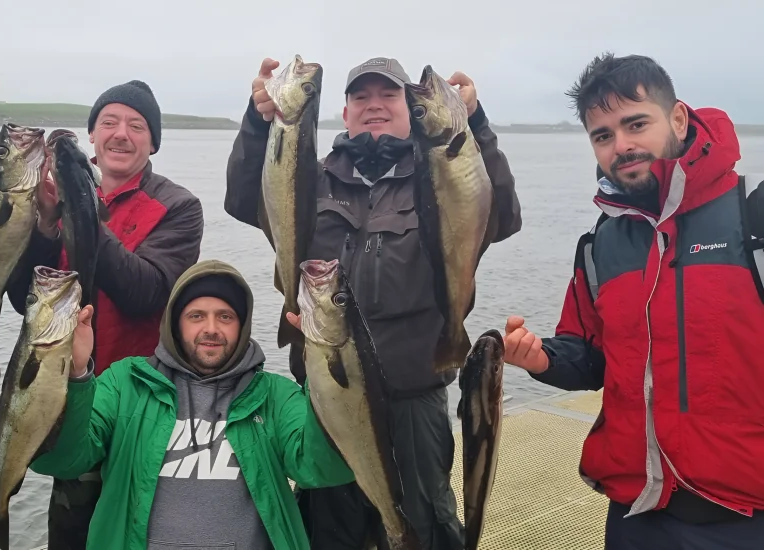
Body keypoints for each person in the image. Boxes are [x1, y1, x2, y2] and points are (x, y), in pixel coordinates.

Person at [225, 57, 522, 549]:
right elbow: (242, 199)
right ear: (344, 113)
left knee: (424, 523)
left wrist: (477, 124)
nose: (374, 105)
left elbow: (503, 214)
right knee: (330, 527)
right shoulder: (310, 176)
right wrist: (260, 125)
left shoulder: (442, 175)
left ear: (409, 108)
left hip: (415, 396)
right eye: (361, 96)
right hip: (329, 394)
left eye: (388, 94)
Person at [503, 53, 764, 549]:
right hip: (635, 515)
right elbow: (590, 357)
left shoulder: (753, 218)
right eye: (602, 136)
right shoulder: (603, 243)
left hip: (746, 519)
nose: (621, 146)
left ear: (678, 119)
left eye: (636, 124)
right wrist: (541, 359)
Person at [28, 258, 354, 549]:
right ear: (175, 322)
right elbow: (58, 461)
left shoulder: (275, 395)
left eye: (225, 316)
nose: (211, 329)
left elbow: (323, 469)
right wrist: (74, 374)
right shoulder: (125, 383)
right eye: (196, 316)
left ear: (242, 325)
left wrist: (325, 371)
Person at [5, 79, 204, 549]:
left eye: (137, 126)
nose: (121, 134)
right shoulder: (50, 197)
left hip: (143, 408)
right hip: (71, 401)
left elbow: (145, 293)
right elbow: (19, 297)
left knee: (145, 532)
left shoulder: (178, 207)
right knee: (73, 533)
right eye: (109, 122)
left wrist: (82, 212)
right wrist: (47, 225)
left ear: (153, 141)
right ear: (91, 135)